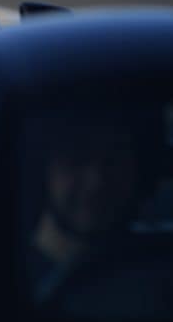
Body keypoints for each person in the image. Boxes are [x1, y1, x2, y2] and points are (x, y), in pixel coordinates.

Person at [27, 111, 159, 302]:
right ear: (42, 169)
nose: (97, 180)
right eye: (76, 158)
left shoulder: (166, 277)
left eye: (114, 159)